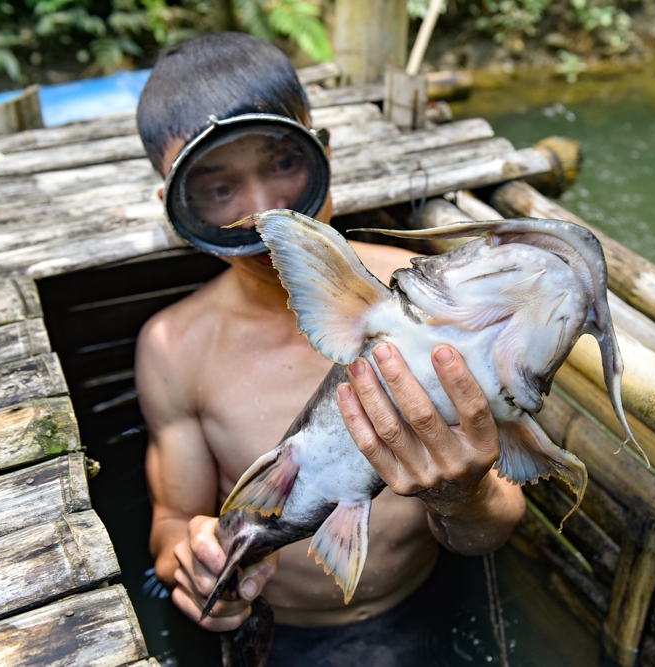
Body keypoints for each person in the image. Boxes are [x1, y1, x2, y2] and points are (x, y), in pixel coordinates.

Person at [134, 32, 526, 662]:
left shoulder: (425, 300)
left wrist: (466, 497)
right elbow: (172, 522)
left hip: (426, 601)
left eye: (282, 163)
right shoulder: (174, 349)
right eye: (217, 189)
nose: (263, 212)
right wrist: (198, 566)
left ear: (323, 153)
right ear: (177, 208)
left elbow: (501, 520)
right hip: (281, 631)